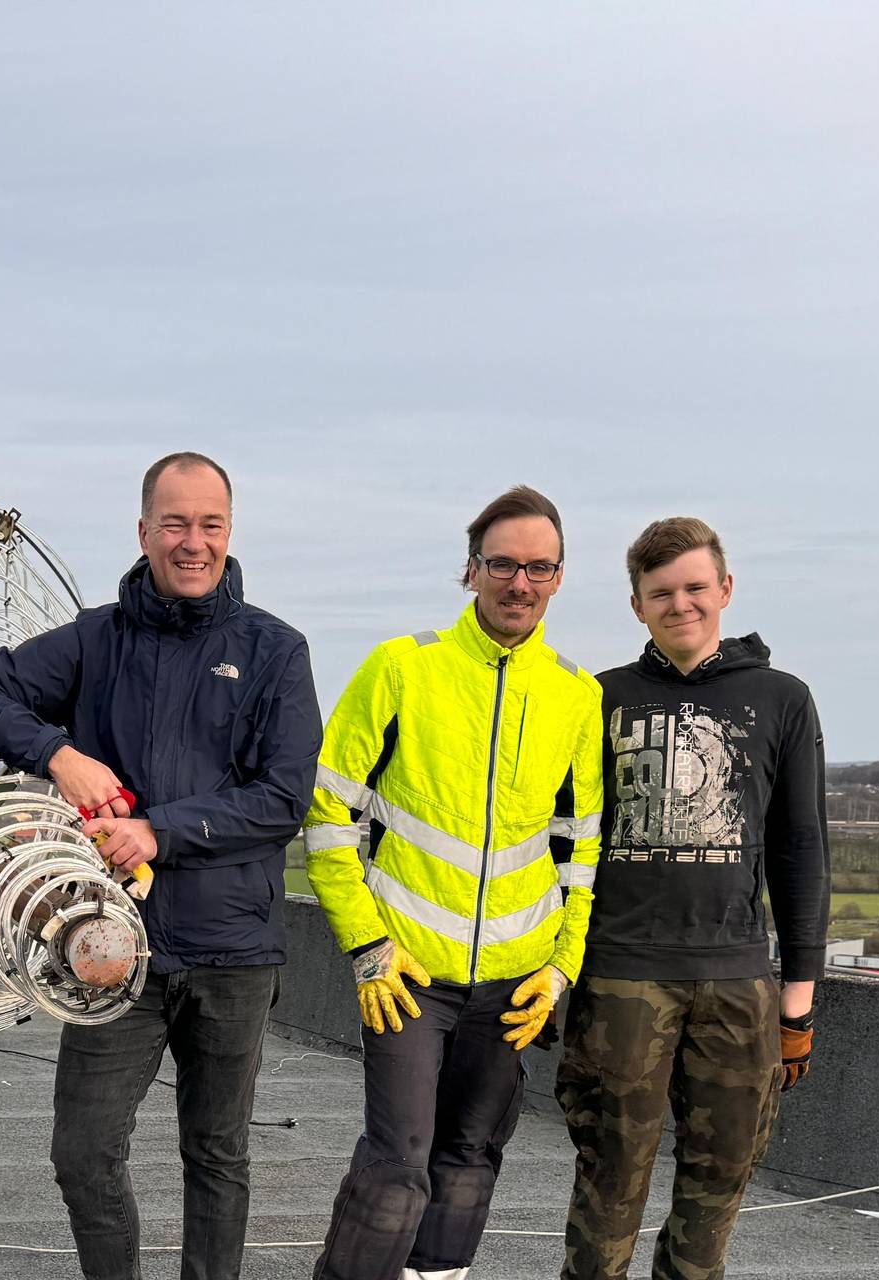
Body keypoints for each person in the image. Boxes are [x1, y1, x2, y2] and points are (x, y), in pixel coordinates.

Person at [0, 452, 321, 1280]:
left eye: (210, 524)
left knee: (217, 1156)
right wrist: (58, 752)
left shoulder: (275, 651)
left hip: (235, 953)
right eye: (175, 523)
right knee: (82, 1154)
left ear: (230, 531)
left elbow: (284, 798)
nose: (193, 542)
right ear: (144, 531)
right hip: (109, 951)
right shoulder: (93, 639)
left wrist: (161, 831)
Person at [304, 485, 606, 1280]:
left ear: (560, 577)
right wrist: (365, 942)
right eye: (503, 563)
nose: (520, 583)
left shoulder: (579, 695)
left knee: (470, 1159)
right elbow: (329, 812)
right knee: (398, 1163)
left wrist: (560, 966)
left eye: (539, 567)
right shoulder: (403, 667)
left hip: (514, 983)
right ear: (470, 570)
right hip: (408, 971)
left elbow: (582, 848)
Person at [558, 516, 829, 1280]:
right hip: (618, 976)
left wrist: (798, 1002)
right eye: (660, 593)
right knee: (608, 1186)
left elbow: (801, 850)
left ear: (726, 589)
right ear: (637, 605)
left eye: (695, 587)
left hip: (736, 980)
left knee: (717, 1190)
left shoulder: (782, 698)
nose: (681, 604)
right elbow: (560, 841)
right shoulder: (597, 698)